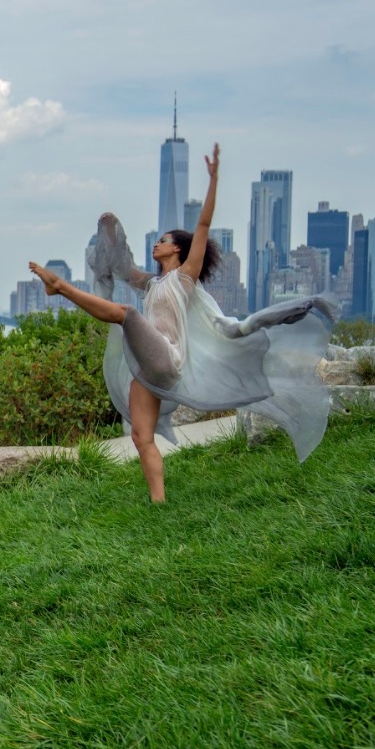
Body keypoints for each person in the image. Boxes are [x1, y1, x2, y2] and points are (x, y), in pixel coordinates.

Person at [29, 143, 335, 501]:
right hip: (149, 368)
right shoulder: (153, 284)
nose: (157, 244)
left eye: (163, 241)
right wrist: (109, 228)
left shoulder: (184, 278)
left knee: (127, 315)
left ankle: (59, 287)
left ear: (177, 249)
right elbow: (120, 266)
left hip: (168, 360)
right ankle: (159, 504)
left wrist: (214, 178)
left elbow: (203, 224)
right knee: (140, 437)